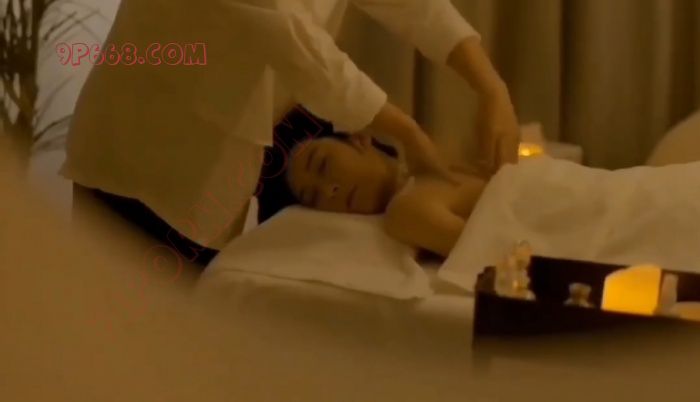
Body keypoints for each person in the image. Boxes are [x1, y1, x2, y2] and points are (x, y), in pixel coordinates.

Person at [62, 0, 519, 269]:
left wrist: (490, 87)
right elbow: (290, 36)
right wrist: (409, 134)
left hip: (215, 159)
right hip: (141, 150)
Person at [261, 125, 489, 258]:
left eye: (323, 165)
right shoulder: (406, 208)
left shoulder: (412, 202)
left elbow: (494, 254)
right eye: (314, 198)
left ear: (359, 138)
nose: (329, 191)